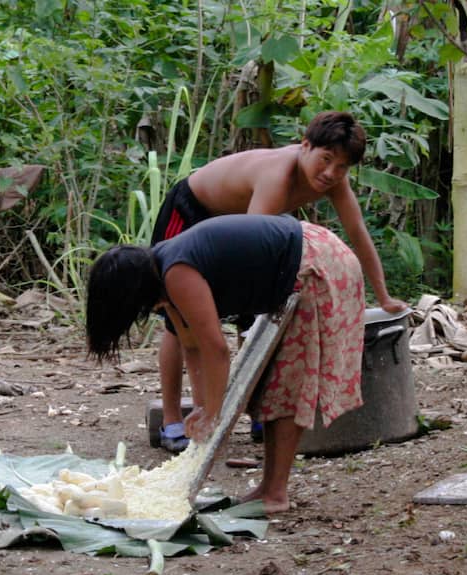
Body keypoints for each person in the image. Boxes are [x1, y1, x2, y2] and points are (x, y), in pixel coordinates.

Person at [149, 111, 406, 452]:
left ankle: (250, 410)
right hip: (192, 213)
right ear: (305, 146)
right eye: (325, 160)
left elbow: (357, 233)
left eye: (342, 167)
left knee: (251, 314)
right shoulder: (277, 176)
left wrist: (384, 296)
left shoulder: (334, 178)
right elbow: (248, 248)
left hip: (238, 224)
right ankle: (174, 421)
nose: (331, 173)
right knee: (180, 320)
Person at [86, 214, 365, 513]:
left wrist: (214, 412)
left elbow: (216, 349)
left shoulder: (176, 273)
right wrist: (202, 407)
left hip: (317, 264)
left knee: (285, 385)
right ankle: (269, 489)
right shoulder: (164, 273)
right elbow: (191, 346)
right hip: (310, 257)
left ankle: (275, 493)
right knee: (272, 388)